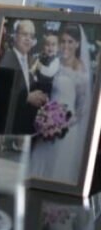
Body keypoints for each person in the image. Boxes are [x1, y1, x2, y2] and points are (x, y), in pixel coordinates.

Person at [31, 24, 92, 184]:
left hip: (67, 128)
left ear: (77, 44)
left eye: (70, 41)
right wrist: (46, 117)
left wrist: (62, 124)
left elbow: (83, 107)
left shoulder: (81, 70)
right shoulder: (56, 62)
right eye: (63, 41)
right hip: (47, 123)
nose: (66, 45)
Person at [0, 19, 48, 135]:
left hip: (21, 128)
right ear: (15, 36)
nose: (28, 39)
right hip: (4, 130)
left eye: (31, 36)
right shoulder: (6, 60)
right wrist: (27, 97)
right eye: (24, 34)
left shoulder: (29, 60)